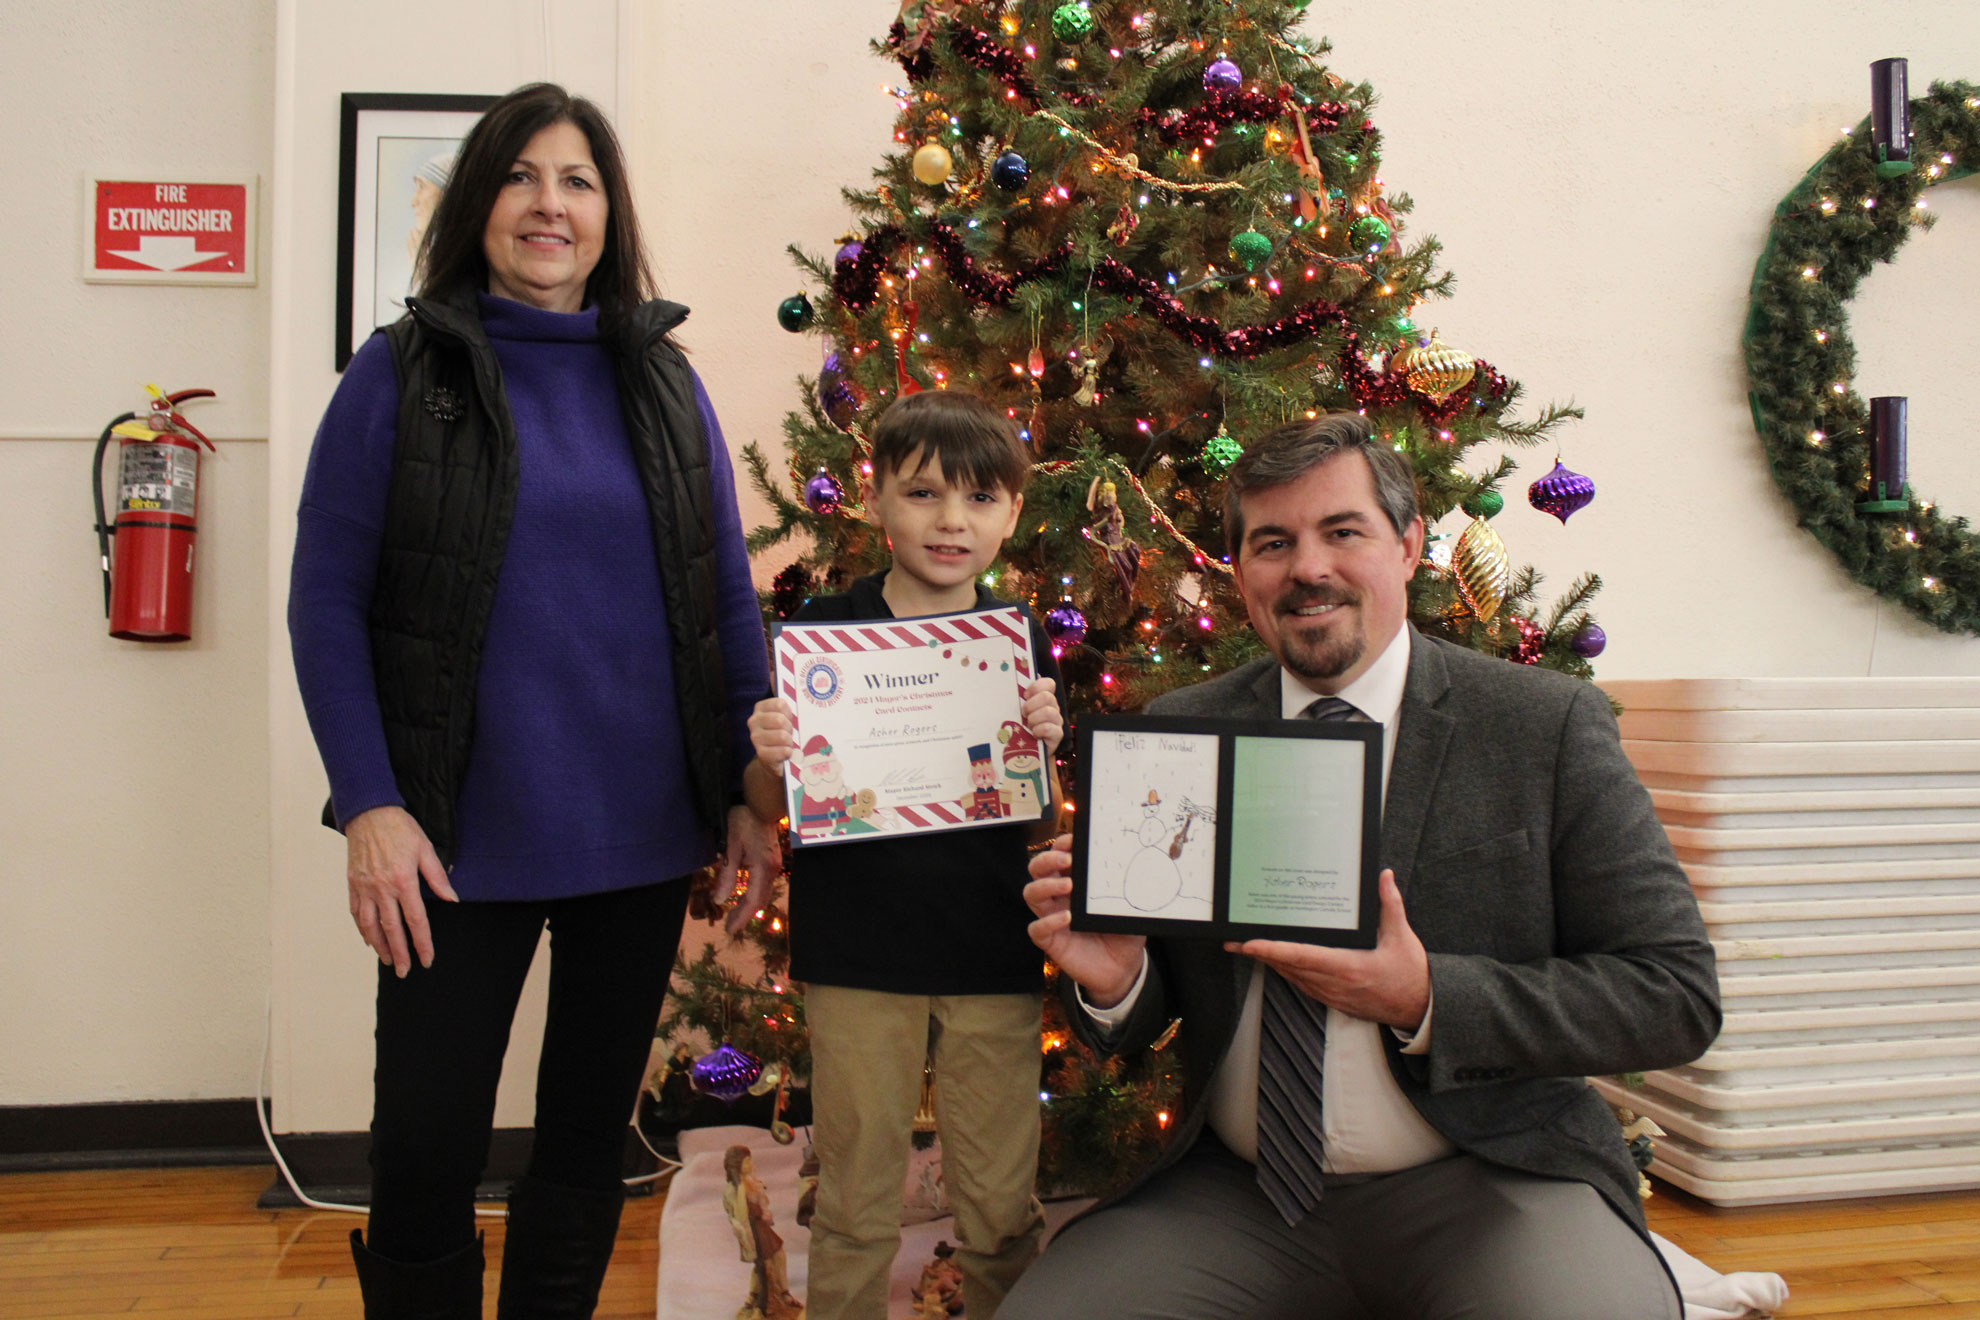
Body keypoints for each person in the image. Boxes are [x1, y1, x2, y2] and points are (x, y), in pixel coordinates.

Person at [1007, 414, 1721, 1320]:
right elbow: (1154, 1005)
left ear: (1410, 544)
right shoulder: (1183, 730)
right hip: (1234, 1196)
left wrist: (1427, 999)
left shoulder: (1544, 727)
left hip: (1489, 1178)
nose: (1309, 568)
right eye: (1273, 542)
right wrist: (1123, 980)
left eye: (1342, 531)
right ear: (1242, 574)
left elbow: (1674, 995)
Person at [289, 82, 776, 1319]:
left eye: (578, 181)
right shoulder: (399, 374)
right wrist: (369, 806)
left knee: (581, 1149)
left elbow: (722, 594)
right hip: (452, 843)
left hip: (638, 836)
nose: (549, 205)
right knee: (425, 1151)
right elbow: (325, 605)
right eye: (522, 177)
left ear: (609, 214)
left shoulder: (664, 384)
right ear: (478, 204)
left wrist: (741, 792)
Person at [737, 390, 1065, 1320]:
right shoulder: (818, 638)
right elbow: (775, 806)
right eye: (923, 494)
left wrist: (1041, 745)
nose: (951, 521)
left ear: (1011, 512)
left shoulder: (1019, 644)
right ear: (874, 499)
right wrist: (768, 759)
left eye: (980, 498)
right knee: (853, 1197)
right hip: (859, 956)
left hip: (992, 954)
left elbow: (1034, 825)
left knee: (999, 1201)